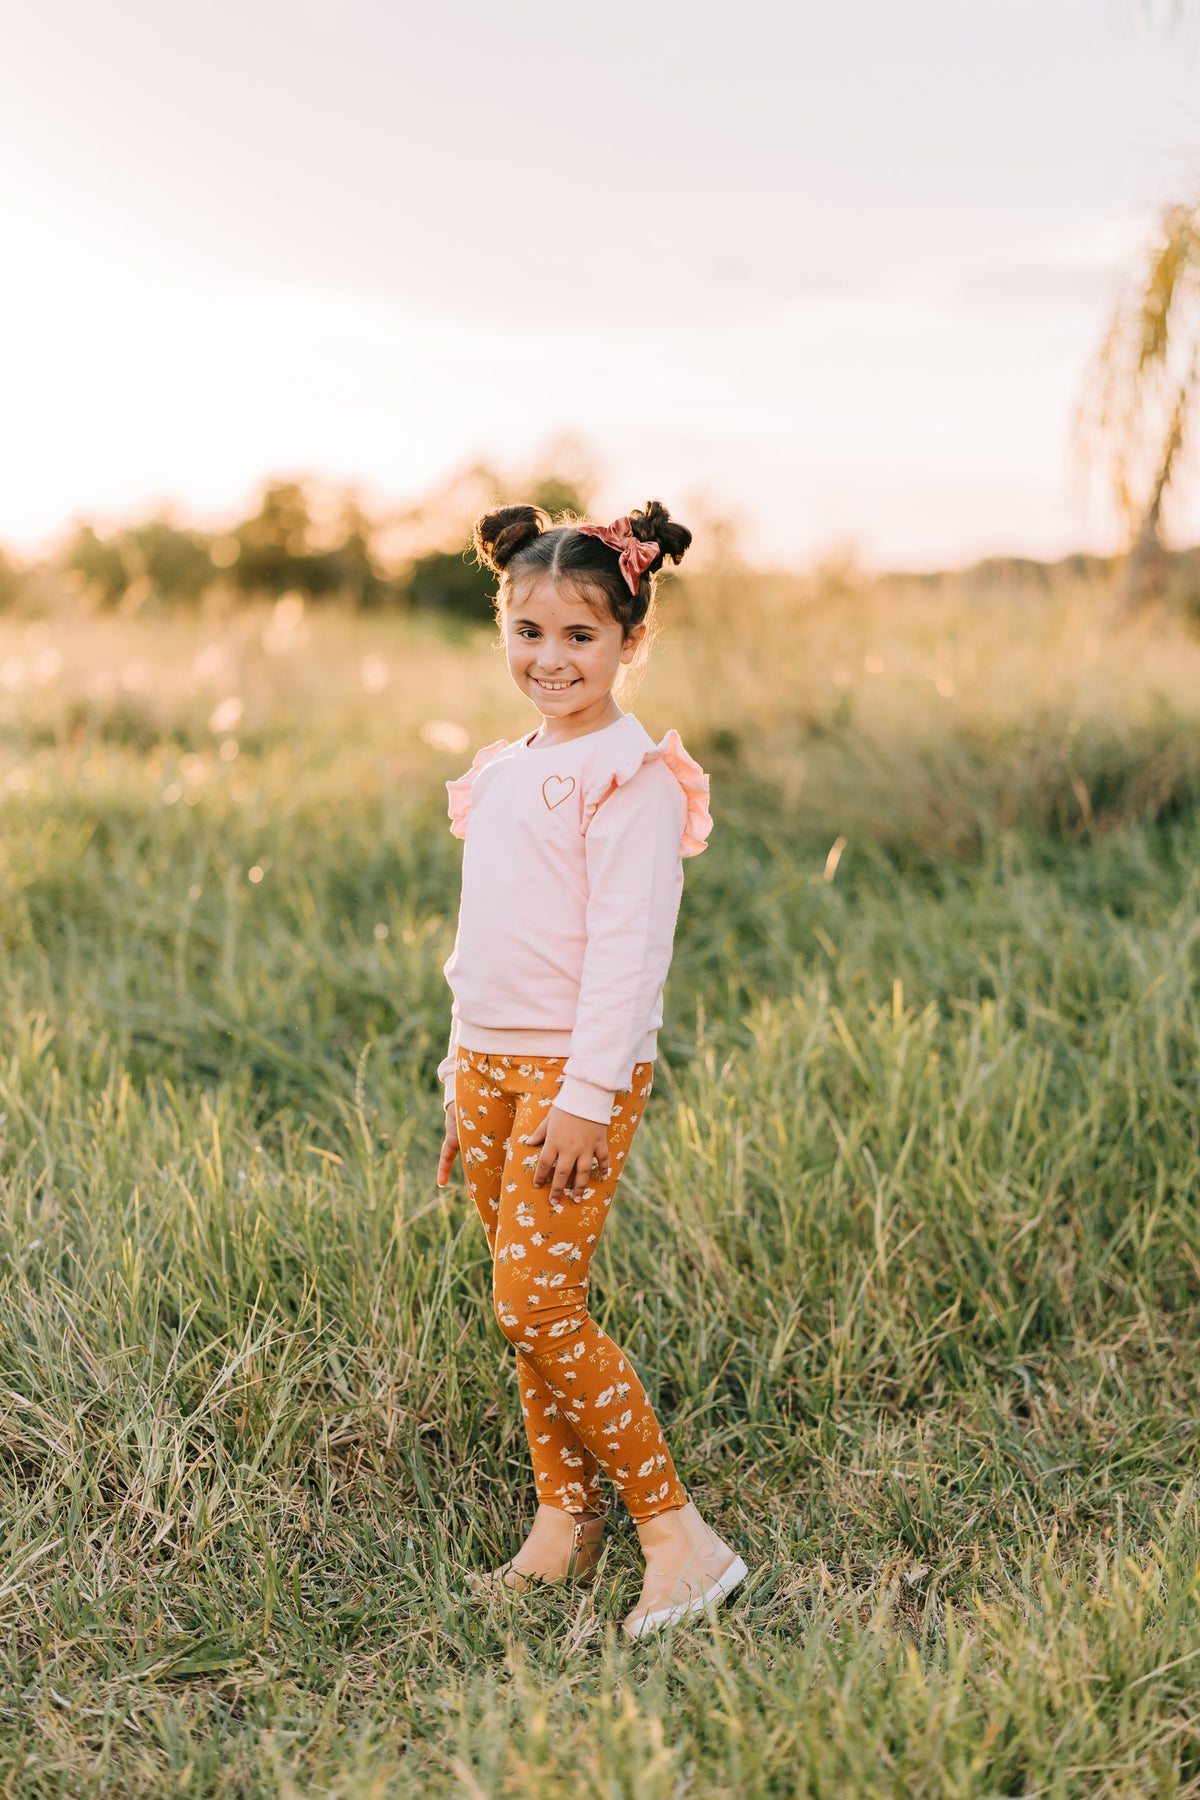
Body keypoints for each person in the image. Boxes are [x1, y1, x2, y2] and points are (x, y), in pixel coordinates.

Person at [435, 499, 748, 1640]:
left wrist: (583, 1097)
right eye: (528, 632)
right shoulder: (506, 768)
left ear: (629, 642)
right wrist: (455, 1080)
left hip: (578, 1079)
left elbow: (627, 960)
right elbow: (486, 947)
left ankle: (679, 1535)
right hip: (491, 1072)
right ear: (503, 628)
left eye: (580, 636)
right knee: (527, 1317)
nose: (550, 659)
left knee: (537, 1301)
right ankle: (562, 1521)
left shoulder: (633, 777)